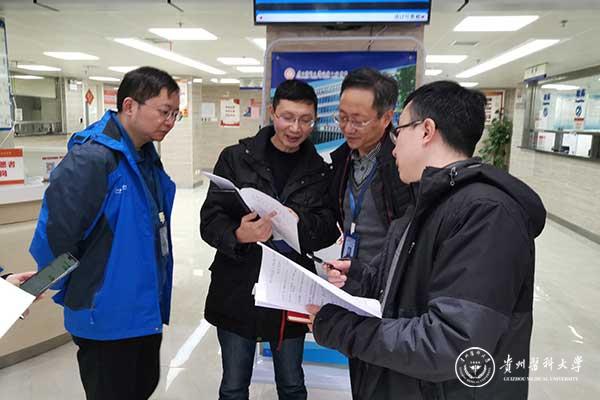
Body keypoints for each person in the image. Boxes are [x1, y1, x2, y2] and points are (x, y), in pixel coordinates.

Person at [308, 80, 546, 399]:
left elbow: (452, 342)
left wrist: (342, 329)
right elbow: (414, 287)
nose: (393, 146)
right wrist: (361, 278)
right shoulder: (430, 201)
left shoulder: (487, 214)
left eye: (399, 131)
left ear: (426, 131)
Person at [29, 66, 180, 400]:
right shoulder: (92, 159)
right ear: (130, 106)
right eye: (164, 111)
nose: (170, 121)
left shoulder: (144, 157)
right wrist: (64, 287)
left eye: (175, 114)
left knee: (142, 387)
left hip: (142, 310)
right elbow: (56, 238)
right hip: (106, 315)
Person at [201, 79, 339, 400]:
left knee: (292, 384)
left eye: (305, 120)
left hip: (290, 289)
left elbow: (329, 227)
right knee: (234, 385)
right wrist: (238, 234)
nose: (295, 128)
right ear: (272, 112)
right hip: (237, 285)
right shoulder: (235, 158)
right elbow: (210, 220)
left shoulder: (320, 171)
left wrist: (300, 224)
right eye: (287, 117)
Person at [329, 67, 412, 391]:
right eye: (342, 117)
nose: (348, 128)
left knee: (387, 377)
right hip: (352, 280)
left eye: (358, 120)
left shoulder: (403, 166)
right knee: (359, 366)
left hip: (391, 286)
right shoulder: (342, 160)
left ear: (387, 117)